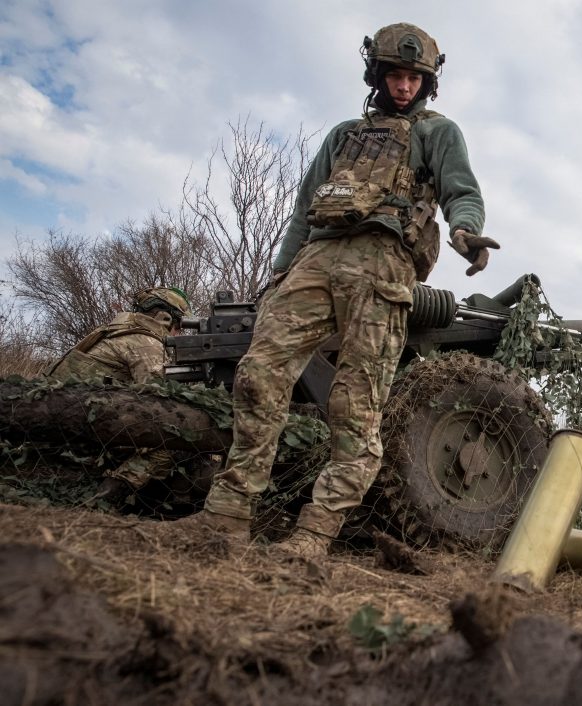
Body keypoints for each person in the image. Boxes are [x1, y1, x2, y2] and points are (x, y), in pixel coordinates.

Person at [181, 23, 499, 555]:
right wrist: (279, 276)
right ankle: (225, 516)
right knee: (259, 376)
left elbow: (460, 191)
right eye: (395, 75)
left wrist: (466, 232)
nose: (403, 86)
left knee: (357, 405)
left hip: (383, 266)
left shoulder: (438, 133)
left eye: (413, 78)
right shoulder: (343, 135)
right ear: (378, 76)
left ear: (427, 83)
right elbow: (303, 210)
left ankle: (314, 533)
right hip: (317, 259)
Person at [48, 287, 193, 506]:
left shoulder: (117, 333)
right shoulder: (145, 343)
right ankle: (104, 501)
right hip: (76, 433)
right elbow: (162, 406)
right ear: (164, 318)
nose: (179, 333)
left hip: (68, 423)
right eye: (180, 326)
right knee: (174, 438)